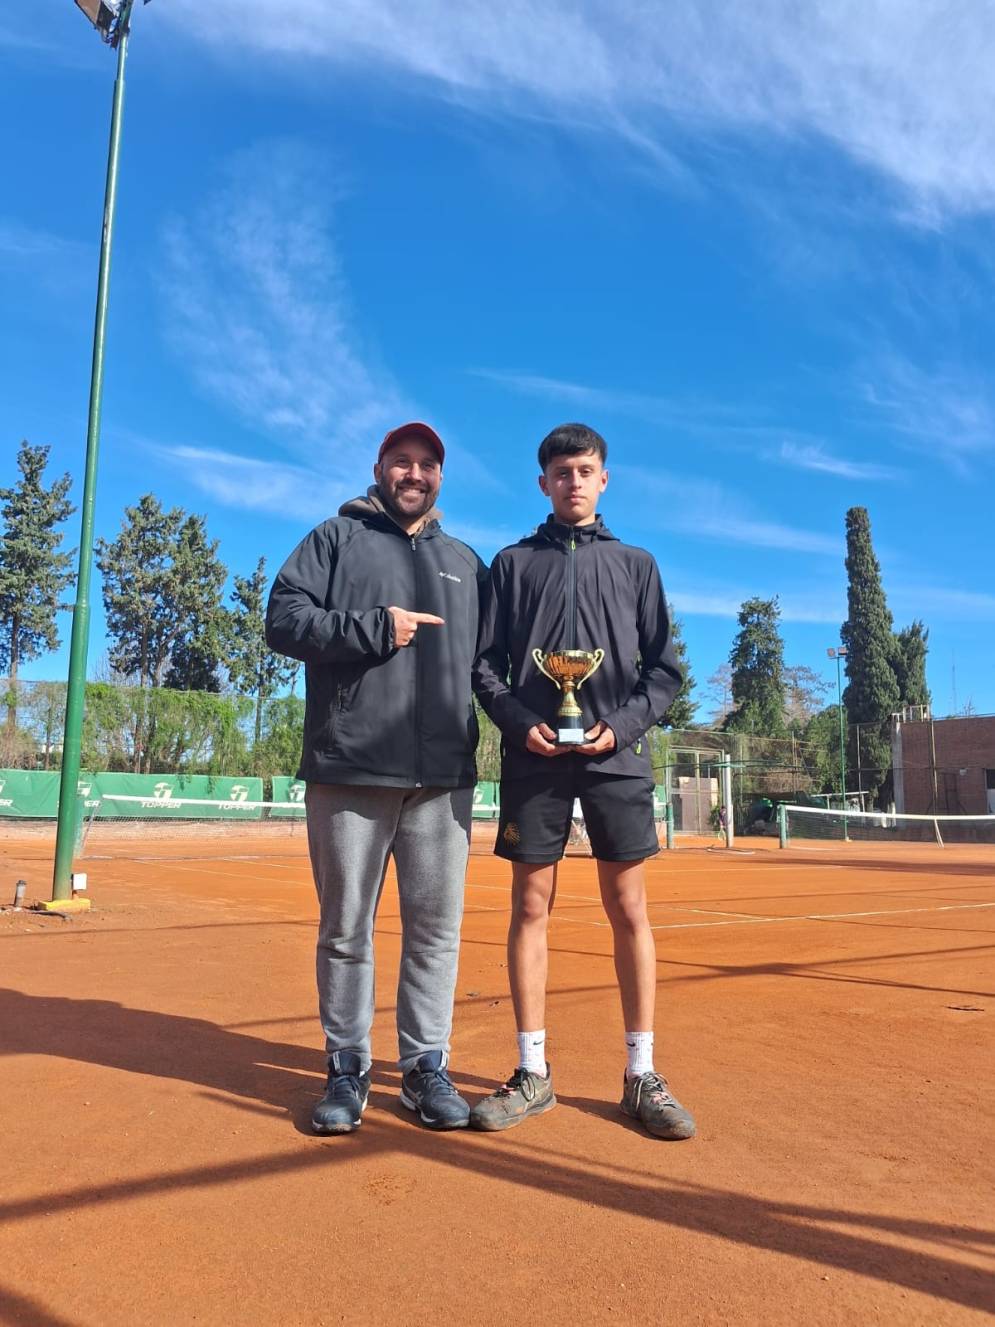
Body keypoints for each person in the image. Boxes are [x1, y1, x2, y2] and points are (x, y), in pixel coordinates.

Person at [471, 423, 696, 1140]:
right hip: (533, 755)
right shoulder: (511, 564)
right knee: (529, 904)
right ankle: (532, 1071)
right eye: (561, 471)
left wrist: (621, 727)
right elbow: (485, 665)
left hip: (615, 758)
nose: (573, 481)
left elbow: (663, 670)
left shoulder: (636, 564)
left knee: (628, 908)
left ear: (604, 479)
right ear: (543, 482)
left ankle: (640, 1074)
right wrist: (516, 722)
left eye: (585, 470)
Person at [265, 422, 486, 1134]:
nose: (413, 473)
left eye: (427, 464)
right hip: (351, 767)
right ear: (379, 468)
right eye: (401, 461)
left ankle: (425, 1067)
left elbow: (492, 666)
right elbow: (283, 619)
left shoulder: (464, 561)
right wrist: (372, 627)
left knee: (435, 931)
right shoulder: (335, 539)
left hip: (441, 779)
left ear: (440, 477)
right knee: (345, 929)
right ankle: (346, 1066)